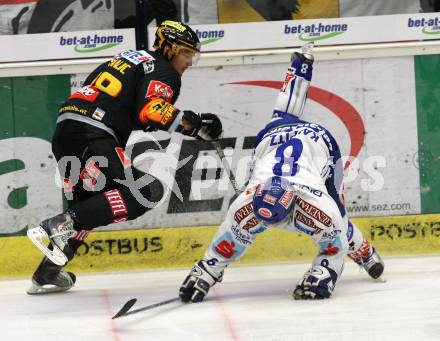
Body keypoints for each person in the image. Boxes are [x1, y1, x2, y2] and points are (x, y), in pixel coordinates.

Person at [26, 20, 222, 295]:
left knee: (91, 207)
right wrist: (196, 124)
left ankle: (47, 271)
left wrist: (189, 128)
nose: (189, 62)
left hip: (67, 131)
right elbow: (152, 111)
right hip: (94, 133)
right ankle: (59, 223)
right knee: (147, 191)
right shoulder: (164, 70)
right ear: (169, 48)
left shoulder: (128, 59)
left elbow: (130, 110)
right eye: (187, 54)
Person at [179, 46, 384, 302]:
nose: (270, 226)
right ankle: (300, 66)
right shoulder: (247, 204)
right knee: (282, 116)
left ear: (293, 205)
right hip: (272, 140)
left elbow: (335, 246)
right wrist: (206, 272)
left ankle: (365, 252)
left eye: (275, 220)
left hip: (321, 148)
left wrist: (322, 274)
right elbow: (228, 242)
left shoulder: (318, 207)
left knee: (339, 218)